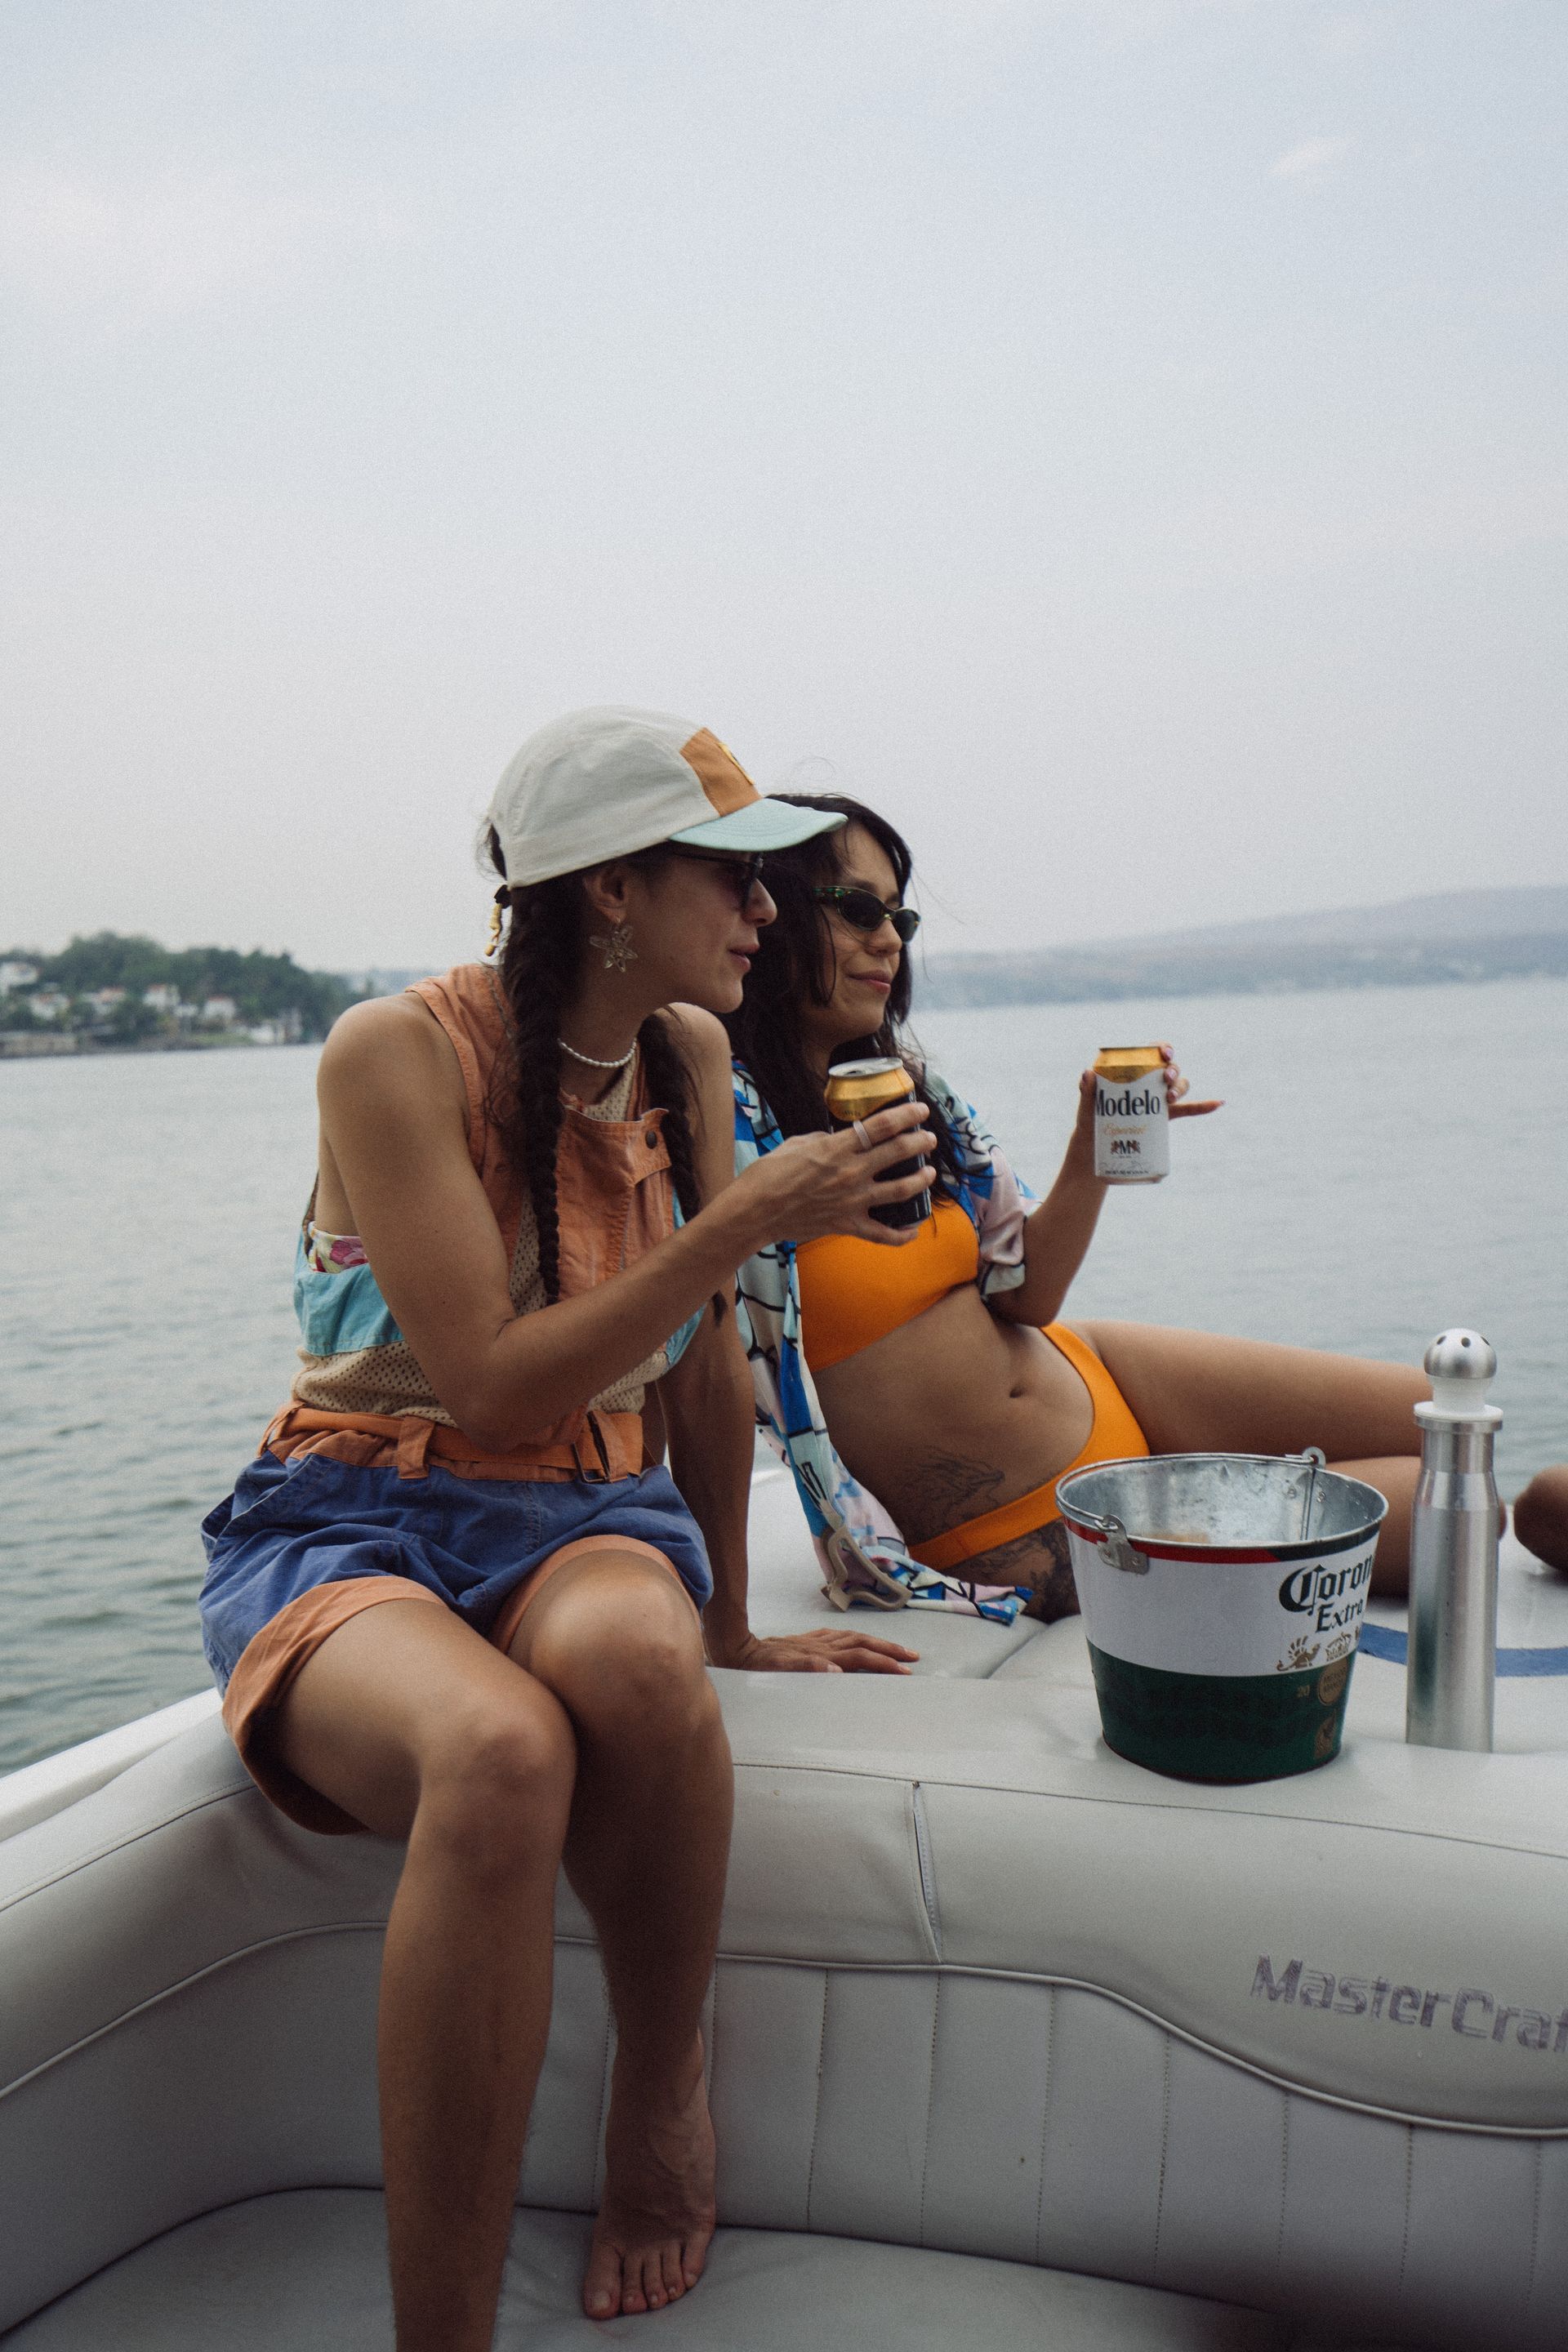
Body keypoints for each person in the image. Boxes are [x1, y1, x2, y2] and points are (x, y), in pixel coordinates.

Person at [197, 712, 924, 2352]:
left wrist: (730, 1621)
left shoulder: (689, 1056)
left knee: (642, 1670)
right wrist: (744, 1219)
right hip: (356, 1515)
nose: (770, 913)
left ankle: (660, 2102)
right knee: (500, 1754)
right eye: (735, 877)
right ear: (609, 888)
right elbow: (490, 1380)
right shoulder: (394, 1053)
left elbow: (706, 1366)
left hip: (589, 1504)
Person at [725, 791, 1447, 1627]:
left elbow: (1027, 1295)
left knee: (1442, 1415)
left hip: (1100, 1372)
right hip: (1025, 1526)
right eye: (858, 909)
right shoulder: (722, 1125)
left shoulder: (916, 1093)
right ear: (766, 912)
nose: (889, 938)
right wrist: (726, 1625)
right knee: (1456, 1513)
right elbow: (699, 1360)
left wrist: (1094, 1143)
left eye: (898, 916)